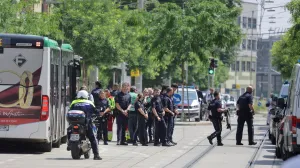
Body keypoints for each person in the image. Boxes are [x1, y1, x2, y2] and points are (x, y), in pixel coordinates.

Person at [68, 90, 102, 160]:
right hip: (85, 124)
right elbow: (96, 111)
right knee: (93, 138)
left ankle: (69, 143)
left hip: (74, 123)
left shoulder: (74, 102)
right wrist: (98, 113)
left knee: (69, 130)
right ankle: (96, 155)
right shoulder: (89, 103)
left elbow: (69, 110)